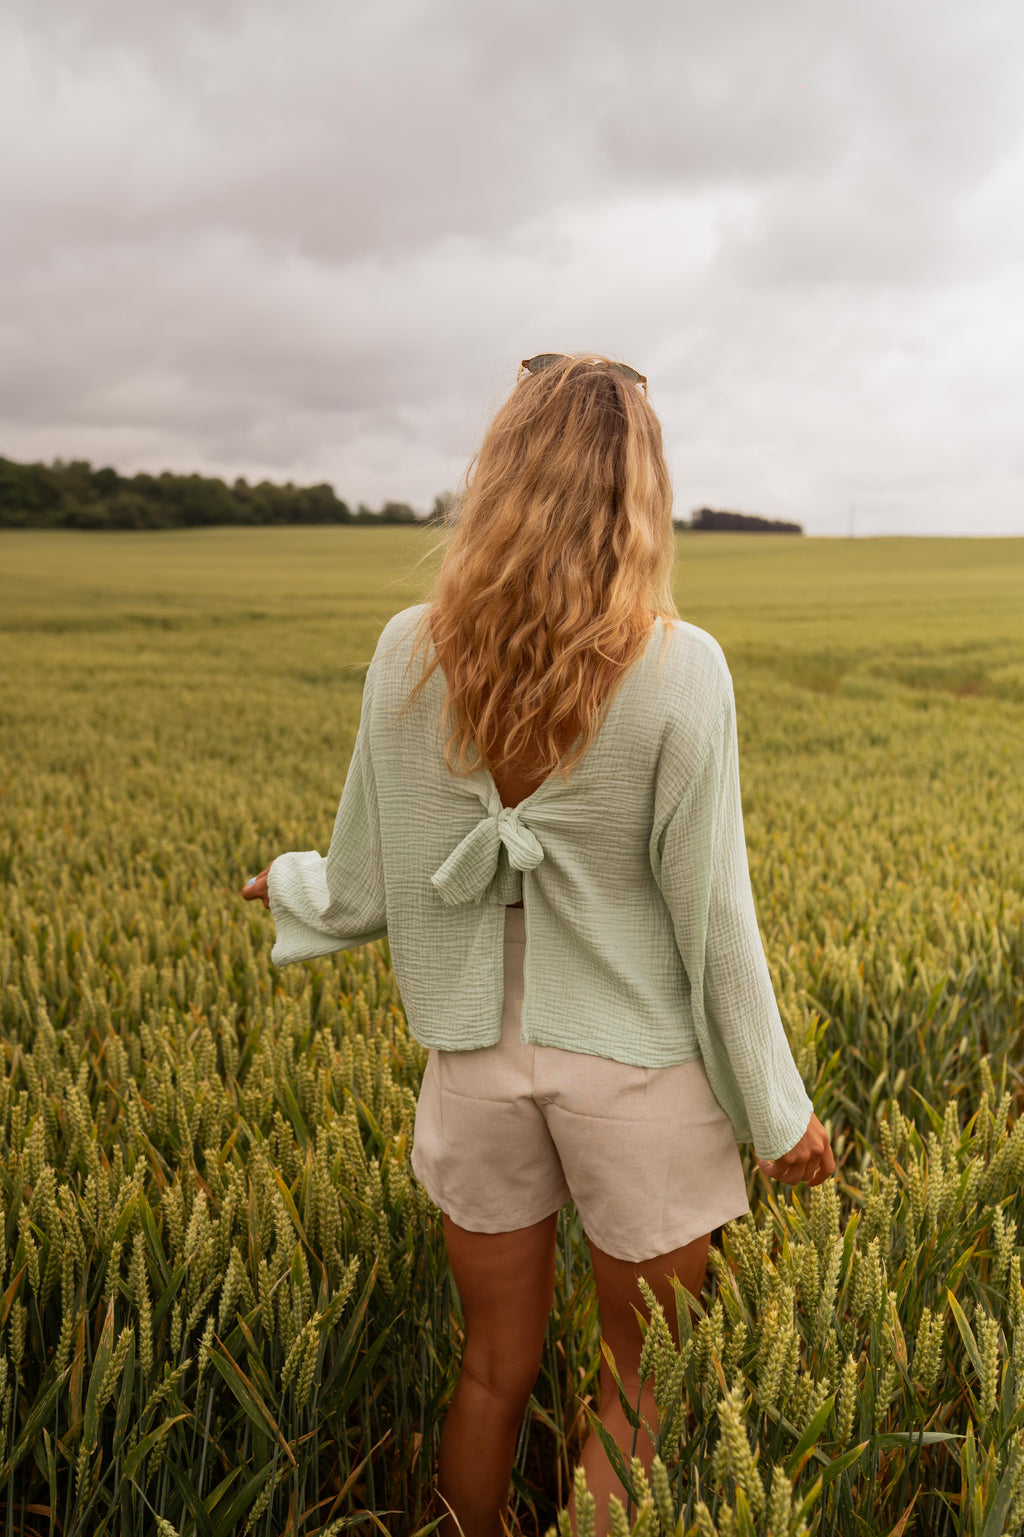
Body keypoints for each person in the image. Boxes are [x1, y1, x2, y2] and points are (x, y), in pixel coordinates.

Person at [242, 351, 836, 1537]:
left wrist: (286, 885)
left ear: (499, 475)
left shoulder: (409, 648)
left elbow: (363, 883)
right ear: (639, 493)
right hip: (637, 1072)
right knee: (634, 1389)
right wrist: (781, 1118)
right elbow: (715, 920)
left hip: (474, 1061)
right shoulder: (680, 668)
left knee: (488, 1368)